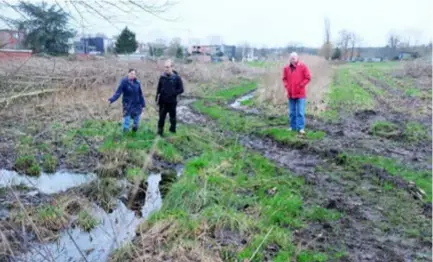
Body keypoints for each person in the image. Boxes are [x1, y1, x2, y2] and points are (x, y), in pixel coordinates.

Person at [282, 52, 311, 135]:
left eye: (294, 57)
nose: (293, 59)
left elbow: (308, 78)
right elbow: (284, 79)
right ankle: (292, 127)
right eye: (291, 58)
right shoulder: (286, 68)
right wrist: (287, 86)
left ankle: (301, 128)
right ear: (289, 59)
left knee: (300, 112)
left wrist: (301, 85)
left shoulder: (303, 66)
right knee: (292, 112)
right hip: (290, 93)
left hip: (300, 94)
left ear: (297, 58)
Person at [155, 59, 184, 136]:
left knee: (172, 118)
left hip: (172, 102)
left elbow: (181, 89)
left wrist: (173, 93)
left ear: (172, 67)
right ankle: (160, 133)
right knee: (161, 118)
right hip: (163, 102)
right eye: (165, 67)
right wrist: (156, 99)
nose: (166, 69)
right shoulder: (162, 77)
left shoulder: (177, 78)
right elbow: (158, 89)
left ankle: (172, 131)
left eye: (168, 67)